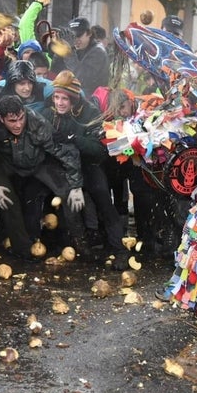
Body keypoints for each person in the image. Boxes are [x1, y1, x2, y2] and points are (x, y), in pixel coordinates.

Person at [0, 95, 86, 260]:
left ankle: (79, 239)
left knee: (68, 192)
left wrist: (76, 185)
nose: (18, 125)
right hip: (7, 164)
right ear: (1, 118)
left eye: (21, 119)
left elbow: (66, 152)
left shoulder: (38, 124)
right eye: (12, 121)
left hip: (38, 162)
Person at [40, 71, 129, 269]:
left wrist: (74, 138)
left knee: (103, 198)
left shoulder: (90, 113)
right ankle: (67, 243)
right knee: (55, 199)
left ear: (73, 99)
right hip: (61, 165)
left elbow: (99, 151)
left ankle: (118, 249)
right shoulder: (50, 111)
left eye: (64, 98)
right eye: (57, 97)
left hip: (89, 164)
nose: (60, 103)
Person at [51, 17, 109, 96]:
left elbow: (83, 79)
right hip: (74, 97)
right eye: (72, 37)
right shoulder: (77, 49)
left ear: (89, 33)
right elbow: (55, 72)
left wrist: (69, 53)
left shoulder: (98, 51)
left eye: (79, 36)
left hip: (94, 100)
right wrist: (59, 52)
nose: (75, 40)